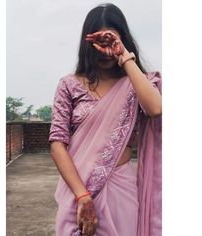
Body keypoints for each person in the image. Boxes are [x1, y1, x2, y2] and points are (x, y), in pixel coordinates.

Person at [49, 3, 162, 236]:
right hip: (77, 191)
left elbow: (156, 108)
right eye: (98, 44)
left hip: (121, 190)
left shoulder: (136, 83)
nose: (104, 50)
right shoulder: (69, 85)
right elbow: (57, 143)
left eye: (111, 42)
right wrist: (82, 195)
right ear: (86, 43)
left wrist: (124, 56)